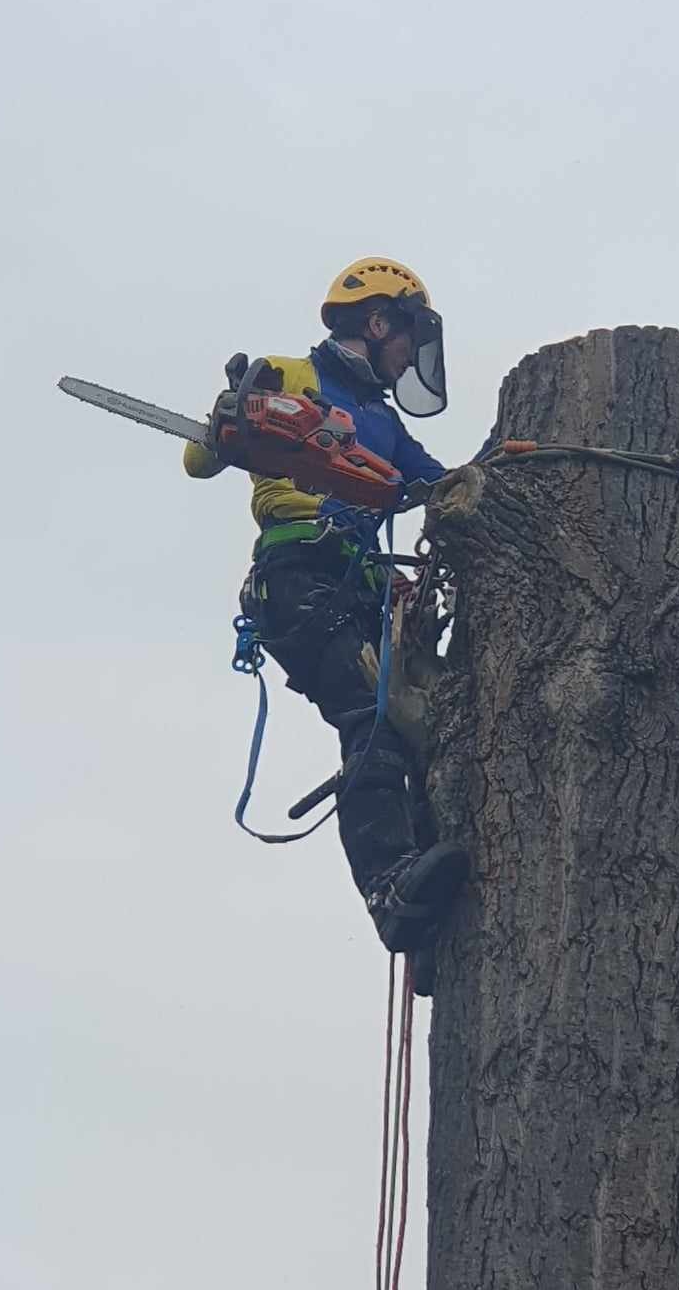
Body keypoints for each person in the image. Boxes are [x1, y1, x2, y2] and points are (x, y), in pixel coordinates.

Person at [183, 258, 468, 954]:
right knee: (365, 719)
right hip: (299, 573)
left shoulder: (382, 422)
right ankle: (389, 889)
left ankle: (433, 909)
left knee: (418, 732)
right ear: (377, 323)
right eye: (404, 337)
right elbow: (200, 458)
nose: (407, 355)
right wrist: (227, 420)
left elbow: (441, 486)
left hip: (362, 588)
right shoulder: (290, 376)